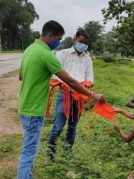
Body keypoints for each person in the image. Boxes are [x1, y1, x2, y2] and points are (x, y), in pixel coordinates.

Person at [17, 20, 104, 179]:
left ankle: (66, 155)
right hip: (36, 108)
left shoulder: (30, 49)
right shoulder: (50, 55)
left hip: (26, 106)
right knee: (29, 153)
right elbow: (69, 81)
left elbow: (21, 76)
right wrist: (92, 95)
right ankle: (45, 158)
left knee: (70, 128)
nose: (58, 42)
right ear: (51, 36)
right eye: (58, 39)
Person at [47, 29, 94, 160]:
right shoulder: (63, 54)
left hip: (79, 97)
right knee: (58, 127)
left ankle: (67, 156)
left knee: (72, 128)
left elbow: (90, 79)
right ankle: (50, 156)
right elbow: (55, 76)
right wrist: (69, 87)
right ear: (74, 40)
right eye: (81, 41)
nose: (83, 45)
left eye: (86, 43)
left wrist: (85, 86)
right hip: (64, 95)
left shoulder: (87, 59)